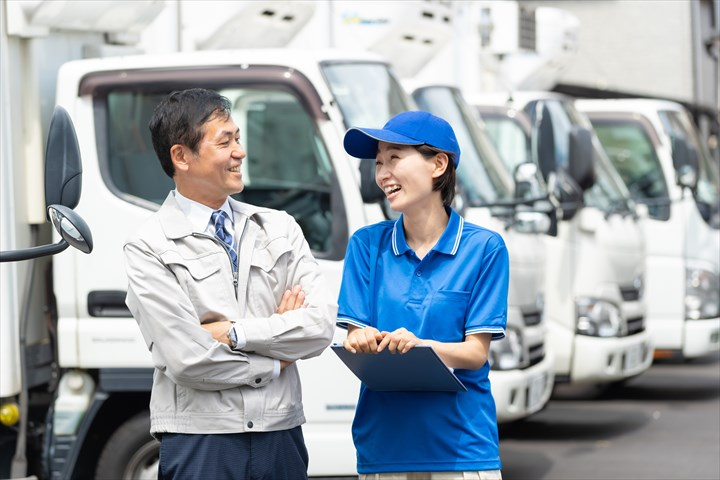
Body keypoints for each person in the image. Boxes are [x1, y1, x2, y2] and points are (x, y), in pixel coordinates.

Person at [123, 88, 336, 480]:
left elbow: (319, 327)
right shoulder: (149, 246)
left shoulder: (278, 227)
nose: (240, 151)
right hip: (201, 439)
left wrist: (234, 333)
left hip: (280, 432)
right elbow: (187, 360)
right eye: (226, 142)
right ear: (181, 156)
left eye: (238, 138)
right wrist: (277, 359)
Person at [337, 111, 509, 480]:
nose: (382, 173)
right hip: (385, 446)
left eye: (394, 158)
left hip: (462, 449)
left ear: (438, 164)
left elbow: (475, 353)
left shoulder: (485, 248)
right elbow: (354, 334)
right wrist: (360, 338)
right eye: (379, 162)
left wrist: (420, 346)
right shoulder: (366, 245)